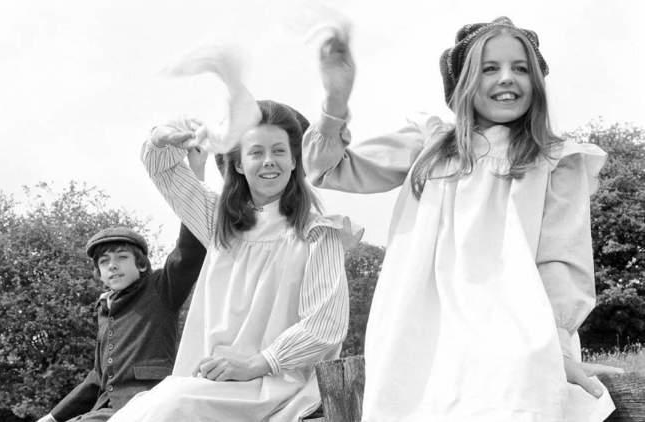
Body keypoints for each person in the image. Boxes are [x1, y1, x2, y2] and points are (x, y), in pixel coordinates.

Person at [305, 16, 620, 422]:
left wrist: (556, 344)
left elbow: (562, 258)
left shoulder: (555, 159)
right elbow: (330, 169)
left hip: (514, 331)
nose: (507, 78)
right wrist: (334, 101)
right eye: (490, 68)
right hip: (422, 331)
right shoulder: (432, 145)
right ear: (464, 83)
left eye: (520, 68)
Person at [109, 100, 357, 422]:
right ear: (238, 164)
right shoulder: (218, 223)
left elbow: (325, 325)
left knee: (168, 407)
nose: (269, 161)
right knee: (140, 412)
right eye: (256, 152)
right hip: (212, 380)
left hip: (275, 383)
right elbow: (164, 170)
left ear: (295, 160)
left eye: (279, 151)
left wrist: (257, 363)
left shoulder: (317, 233)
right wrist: (163, 136)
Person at [36, 156, 208, 422]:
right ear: (100, 273)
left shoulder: (162, 288)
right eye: (105, 262)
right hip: (106, 410)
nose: (113, 266)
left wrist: (195, 175)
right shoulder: (105, 310)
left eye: (121, 258)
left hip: (148, 403)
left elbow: (190, 251)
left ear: (141, 265)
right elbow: (97, 378)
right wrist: (52, 417)